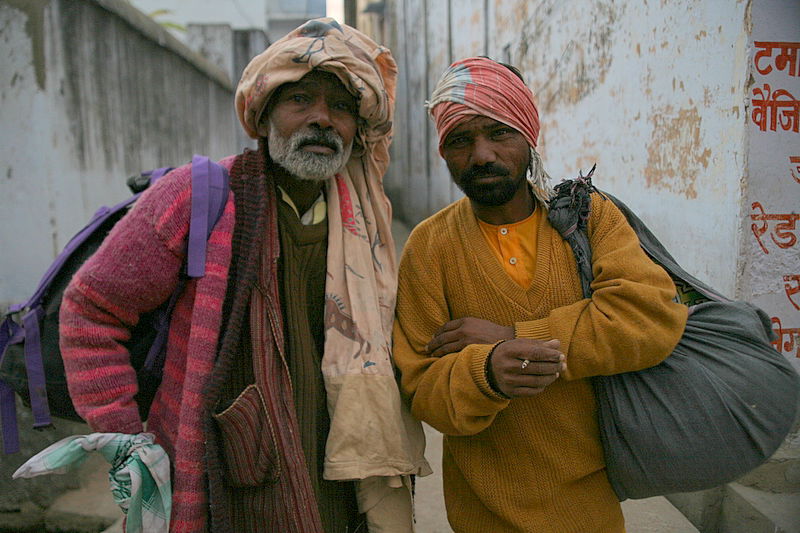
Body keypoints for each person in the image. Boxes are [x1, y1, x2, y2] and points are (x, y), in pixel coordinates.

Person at [60, 19, 429, 533]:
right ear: (265, 114)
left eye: (341, 106)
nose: (322, 119)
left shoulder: (363, 219)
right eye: (300, 100)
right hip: (223, 482)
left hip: (340, 478)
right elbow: (90, 309)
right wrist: (127, 440)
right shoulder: (199, 197)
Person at [392, 56, 688, 532]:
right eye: (461, 140)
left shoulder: (591, 219)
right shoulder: (429, 248)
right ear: (443, 152)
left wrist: (514, 335)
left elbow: (649, 320)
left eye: (499, 132)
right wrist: (487, 371)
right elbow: (422, 389)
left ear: (529, 136)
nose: (482, 154)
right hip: (482, 515)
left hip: (589, 510)